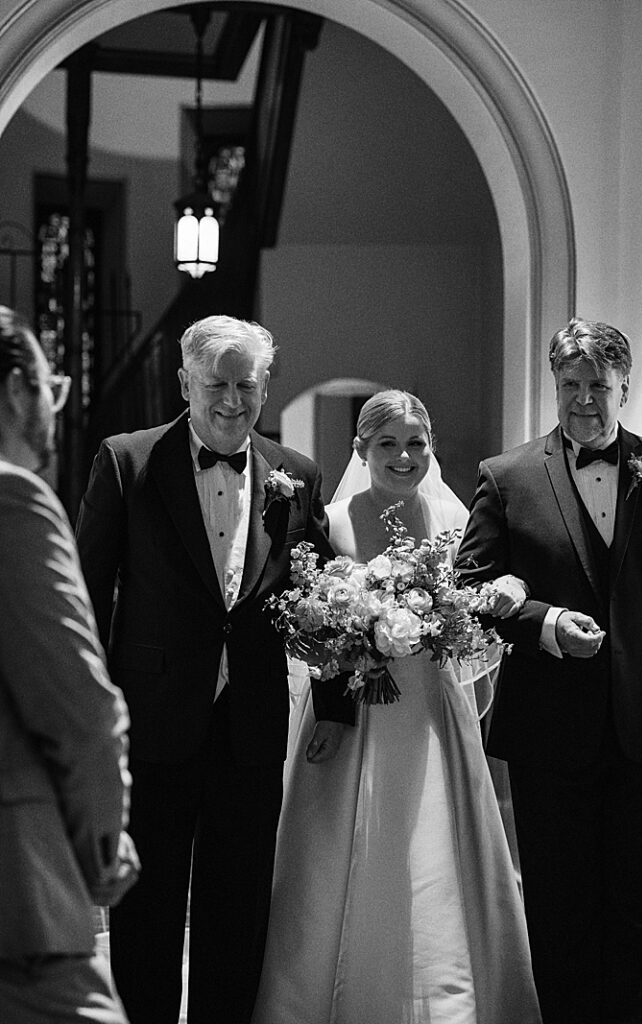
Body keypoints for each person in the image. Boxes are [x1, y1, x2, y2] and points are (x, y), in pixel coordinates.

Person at [75, 315, 354, 1024]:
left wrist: (336, 701)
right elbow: (83, 592)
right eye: (216, 384)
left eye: (246, 384)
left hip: (251, 728)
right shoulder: (127, 460)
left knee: (238, 917)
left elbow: (322, 596)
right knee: (148, 917)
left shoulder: (297, 473)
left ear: (265, 386)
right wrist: (89, 723)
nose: (232, 400)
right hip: (152, 727)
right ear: (184, 383)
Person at [456, 318, 642, 1024]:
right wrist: (542, 622)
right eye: (570, 386)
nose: (583, 401)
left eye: (597, 386)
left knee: (634, 915)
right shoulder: (506, 477)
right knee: (559, 907)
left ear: (623, 388)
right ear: (555, 387)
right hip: (550, 732)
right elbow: (471, 588)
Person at [252, 390, 542, 1024]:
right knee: (335, 854)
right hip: (352, 715)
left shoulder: (454, 522)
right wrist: (354, 634)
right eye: (388, 443)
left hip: (432, 712)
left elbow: (480, 602)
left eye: (416, 443)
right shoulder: (330, 522)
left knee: (436, 857)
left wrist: (484, 603)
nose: (404, 456)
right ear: (361, 450)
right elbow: (309, 622)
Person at [0, 306, 139, 1024]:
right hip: (19, 895)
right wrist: (103, 849)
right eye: (51, 387)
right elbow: (81, 712)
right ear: (19, 391)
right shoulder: (13, 498)